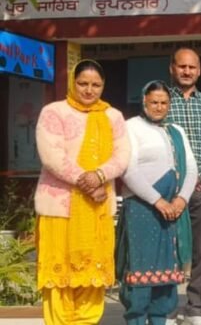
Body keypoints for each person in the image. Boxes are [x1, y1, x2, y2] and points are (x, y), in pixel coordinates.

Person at [34, 59, 130, 324]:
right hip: (59, 208)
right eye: (83, 84)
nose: (89, 90)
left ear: (103, 86)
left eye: (95, 85)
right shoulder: (54, 112)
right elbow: (51, 155)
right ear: (72, 83)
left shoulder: (113, 116)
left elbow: (123, 156)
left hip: (97, 208)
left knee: (92, 277)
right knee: (59, 278)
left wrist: (99, 176)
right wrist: (86, 182)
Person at [118, 81, 197, 325]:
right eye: (154, 102)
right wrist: (159, 201)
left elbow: (191, 169)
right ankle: (137, 319)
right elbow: (128, 171)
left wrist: (181, 199)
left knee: (166, 273)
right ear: (144, 102)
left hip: (173, 212)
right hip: (142, 211)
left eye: (164, 103)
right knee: (141, 271)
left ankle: (160, 318)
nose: (159, 107)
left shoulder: (176, 130)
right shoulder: (130, 127)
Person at [165, 47, 201, 325]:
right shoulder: (160, 102)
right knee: (167, 246)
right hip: (168, 188)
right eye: (181, 66)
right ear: (172, 69)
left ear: (199, 71)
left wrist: (196, 176)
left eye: (192, 67)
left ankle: (196, 306)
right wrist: (178, 180)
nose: (186, 71)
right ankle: (166, 304)